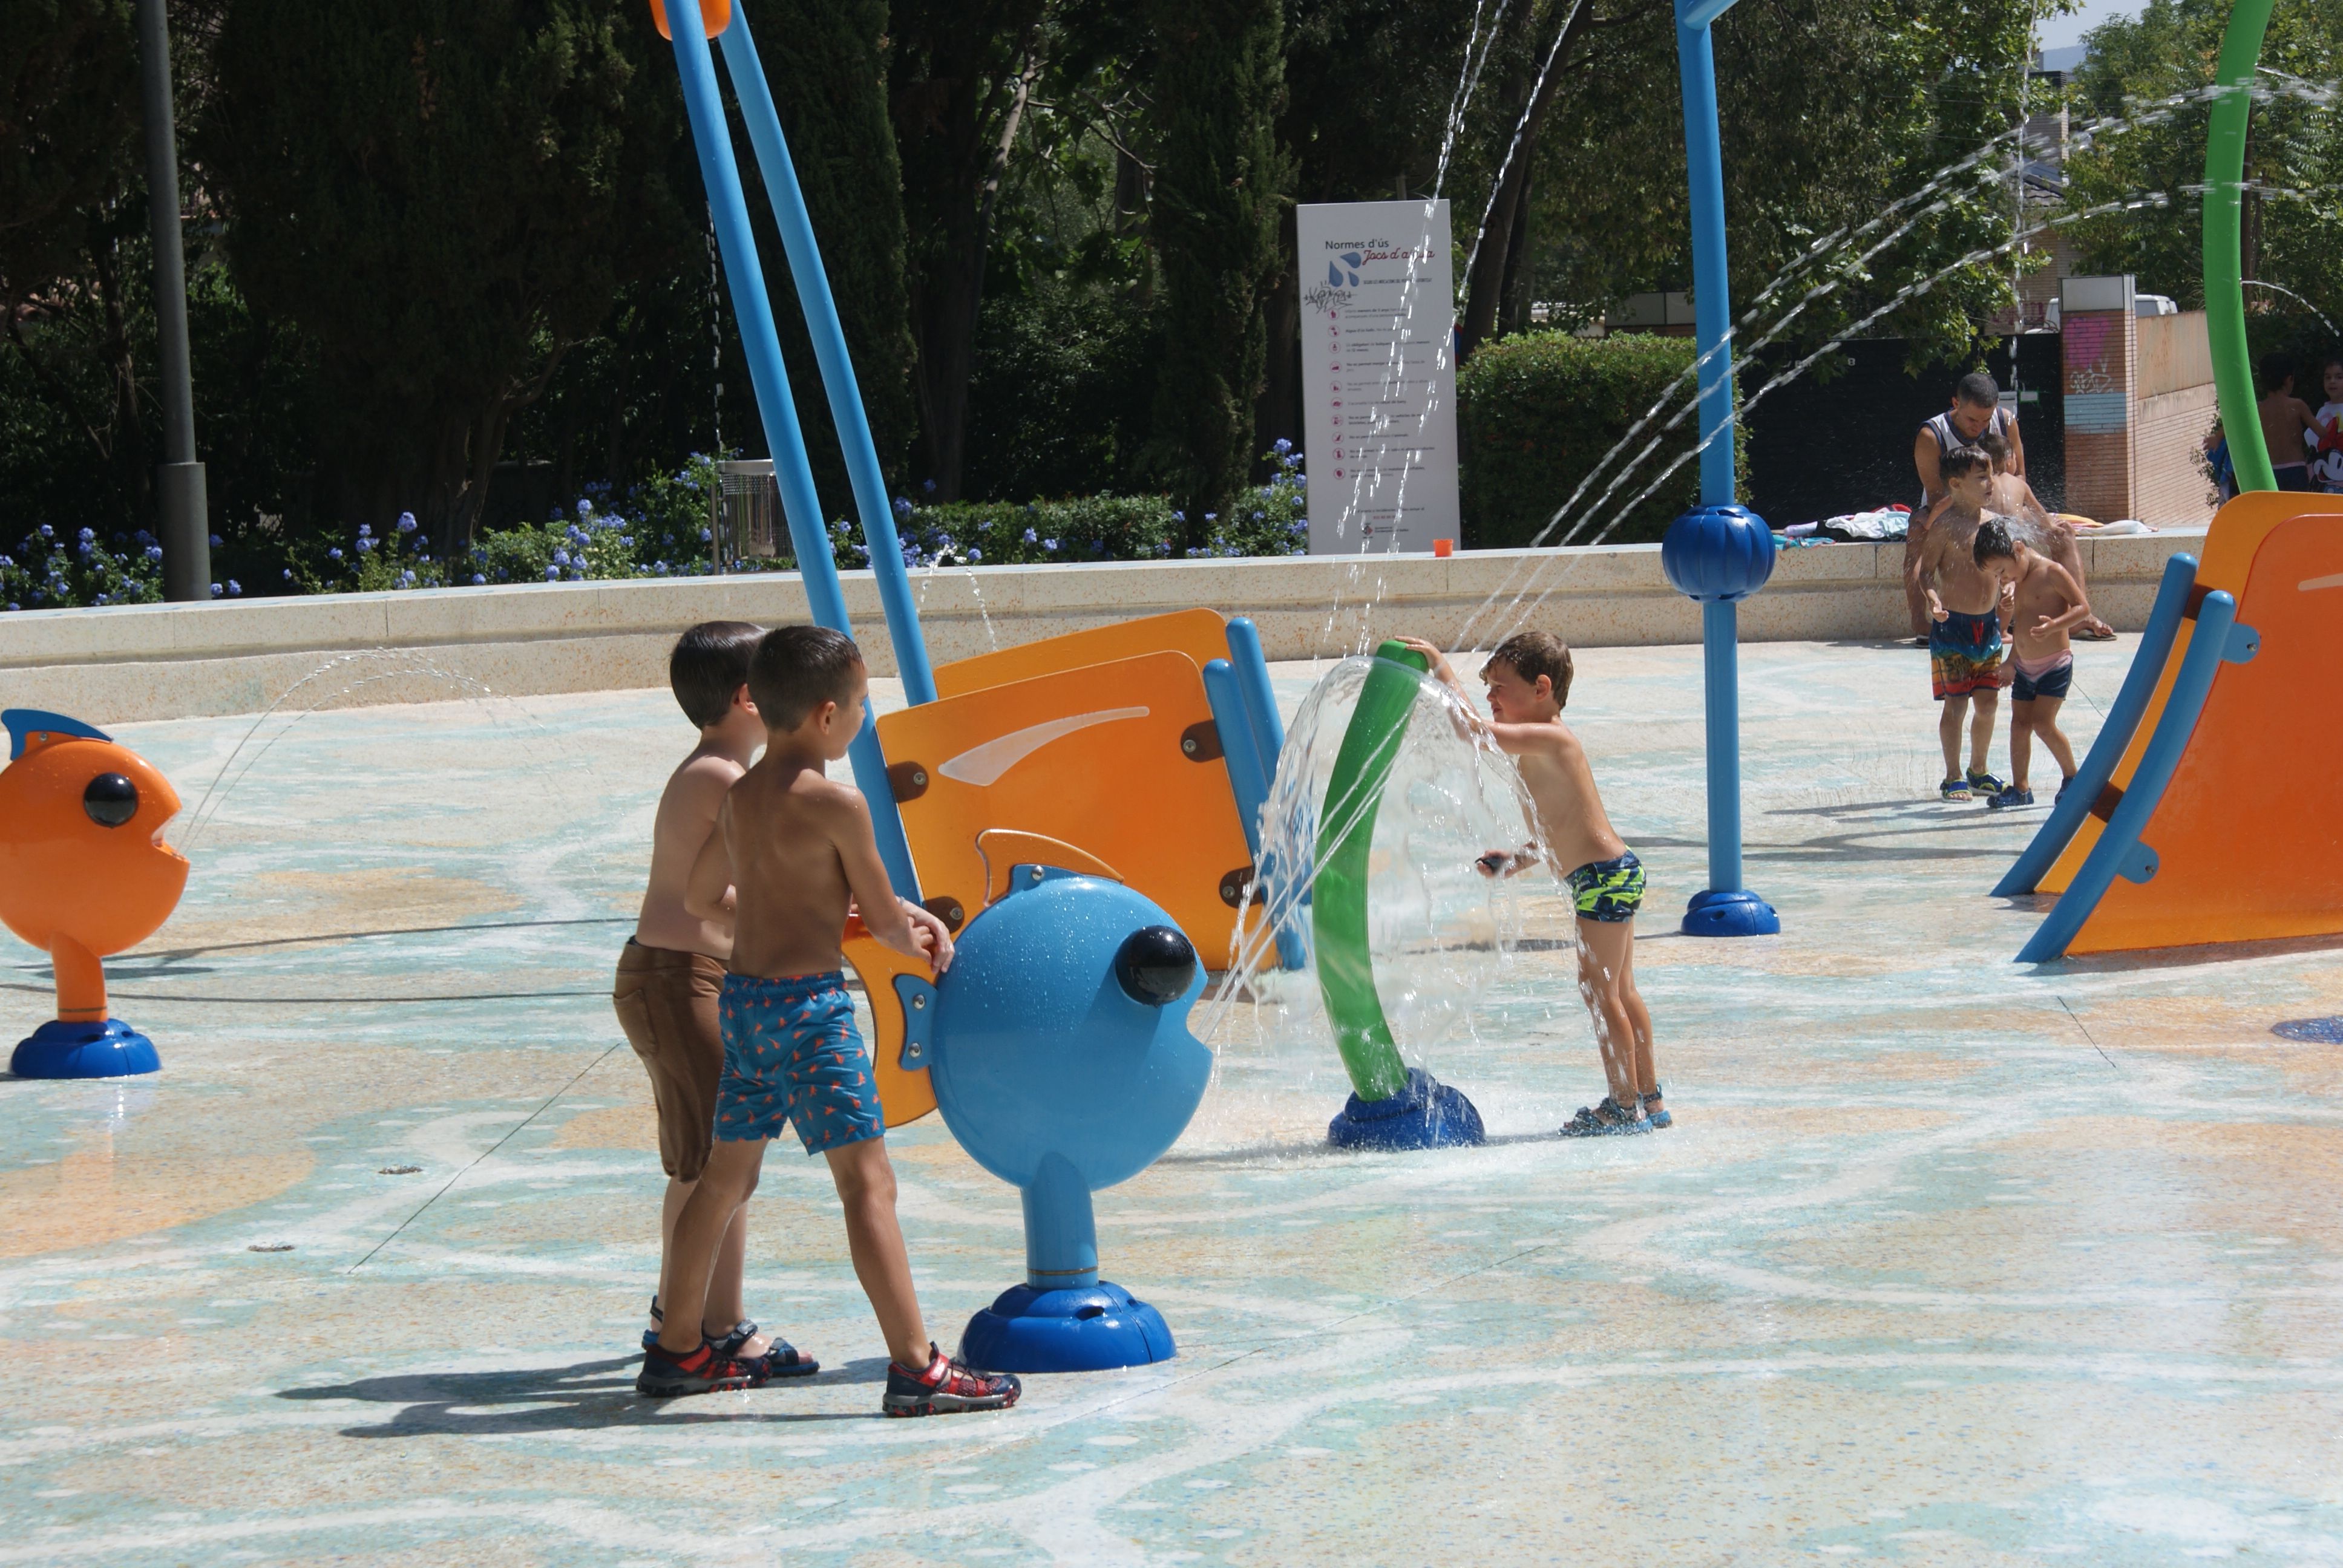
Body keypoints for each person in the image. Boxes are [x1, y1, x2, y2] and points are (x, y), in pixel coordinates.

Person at [641, 624, 1021, 1416]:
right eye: (859, 707)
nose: (862, 718)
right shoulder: (838, 803)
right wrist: (918, 936)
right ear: (823, 717)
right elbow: (884, 922)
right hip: (812, 1016)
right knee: (867, 1185)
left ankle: (679, 1350)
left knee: (725, 1179)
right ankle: (918, 1368)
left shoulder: (740, 798)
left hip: (744, 1007)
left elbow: (705, 899)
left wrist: (781, 909)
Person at [1398, 630, 1665, 1138]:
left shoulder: (1554, 738)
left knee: (1600, 991)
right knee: (1621, 991)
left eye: (1500, 686)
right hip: (1608, 873)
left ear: (1541, 688)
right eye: (1489, 687)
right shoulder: (1544, 745)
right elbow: (1560, 826)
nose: (1492, 696)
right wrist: (1515, 860)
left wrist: (1440, 669)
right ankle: (1649, 1100)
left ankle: (1622, 1106)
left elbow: (1472, 733)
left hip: (1603, 878)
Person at [612, 621, 790, 1375]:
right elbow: (729, 893)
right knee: (719, 1163)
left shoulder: (716, 770)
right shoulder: (719, 776)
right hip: (674, 979)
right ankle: (708, 1327)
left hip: (684, 977)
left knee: (710, 1162)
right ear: (750, 698)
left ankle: (690, 1313)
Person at [1972, 517, 2090, 810]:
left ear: (2019, 548)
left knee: (2043, 723)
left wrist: (2055, 626)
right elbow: (2019, 629)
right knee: (2019, 725)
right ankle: (2021, 789)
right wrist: (2011, 661)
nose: (2002, 579)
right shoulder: (2016, 582)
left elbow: (2083, 609)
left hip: (2054, 665)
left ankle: (2073, 778)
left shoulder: (2052, 572)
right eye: (1996, 576)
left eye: (2002, 571)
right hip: (2024, 666)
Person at [1914, 447, 2008, 802]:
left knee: (1988, 705)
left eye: (1991, 475)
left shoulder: (1993, 523)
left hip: (1988, 629)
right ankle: (1952, 775)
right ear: (1956, 484)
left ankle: (1978, 771)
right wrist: (1933, 599)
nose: (1991, 483)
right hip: (1953, 630)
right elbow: (1924, 572)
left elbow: (2002, 566)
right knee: (1956, 706)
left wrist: (2009, 586)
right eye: (1981, 477)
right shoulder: (1945, 527)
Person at [1909, 371, 2024, 640]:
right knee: (1917, 532)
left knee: (2062, 534)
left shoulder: (2006, 421)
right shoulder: (1931, 435)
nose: (1979, 427)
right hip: (1948, 507)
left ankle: (2079, 614)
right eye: (1973, 419)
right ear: (1955, 404)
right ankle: (1921, 623)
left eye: (1986, 419)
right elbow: (1937, 496)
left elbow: (2018, 477)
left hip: (1996, 506)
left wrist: (2008, 514)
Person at [1976, 431, 2115, 641]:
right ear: (2008, 459)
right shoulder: (2019, 484)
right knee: (2062, 534)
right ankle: (2077, 612)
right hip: (2012, 543)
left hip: (1992, 541)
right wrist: (2057, 526)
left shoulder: (1983, 485)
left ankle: (2002, 630)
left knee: (2008, 580)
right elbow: (2044, 520)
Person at [2257, 352, 2319, 491]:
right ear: (2289, 379)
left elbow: (2231, 429)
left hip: (2270, 469)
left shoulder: (2259, 409)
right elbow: (2322, 432)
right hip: (2295, 468)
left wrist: (2216, 438)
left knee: (2276, 511)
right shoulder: (2297, 405)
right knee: (2297, 509)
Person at [2308, 356, 2343, 494]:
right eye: (2328, 377)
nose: (2332, 381)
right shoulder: (2322, 412)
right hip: (2321, 485)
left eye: (2339, 377)